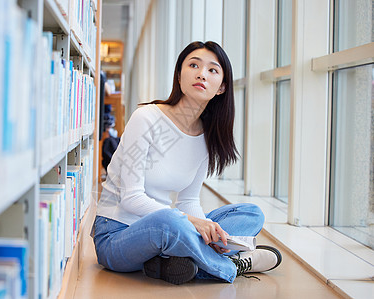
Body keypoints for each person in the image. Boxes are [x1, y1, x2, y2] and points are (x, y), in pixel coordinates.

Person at [91, 41, 282, 285]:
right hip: (117, 236)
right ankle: (229, 265)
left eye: (212, 70)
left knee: (250, 214)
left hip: (167, 232)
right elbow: (131, 198)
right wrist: (191, 223)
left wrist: (208, 228)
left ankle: (174, 261)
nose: (202, 74)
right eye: (194, 65)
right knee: (172, 221)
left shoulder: (206, 136)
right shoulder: (146, 117)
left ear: (221, 88)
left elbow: (189, 201)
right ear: (179, 76)